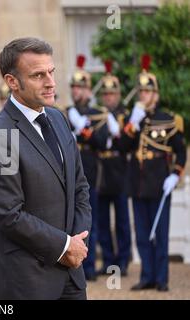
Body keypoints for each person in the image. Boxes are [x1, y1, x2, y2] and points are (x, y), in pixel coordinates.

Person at [0, 37, 91, 299]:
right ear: (12, 82)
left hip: (72, 276)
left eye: (51, 72)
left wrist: (78, 242)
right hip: (26, 281)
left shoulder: (58, 118)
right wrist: (64, 247)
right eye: (38, 75)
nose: (50, 82)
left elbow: (80, 187)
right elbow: (9, 214)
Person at [121, 54, 186, 292]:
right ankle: (147, 276)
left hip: (160, 182)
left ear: (155, 94)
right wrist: (132, 125)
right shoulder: (134, 119)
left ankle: (161, 278)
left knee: (160, 232)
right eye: (140, 92)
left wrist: (175, 174)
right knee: (143, 233)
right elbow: (122, 148)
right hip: (137, 183)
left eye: (147, 92)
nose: (143, 96)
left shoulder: (168, 119)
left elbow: (180, 150)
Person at [66, 54, 109, 281]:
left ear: (88, 89)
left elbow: (102, 142)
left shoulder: (97, 114)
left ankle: (89, 266)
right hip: (69, 174)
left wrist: (86, 131)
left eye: (80, 87)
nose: (75, 91)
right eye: (73, 87)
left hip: (91, 171)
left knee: (89, 221)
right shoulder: (64, 113)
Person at [96, 60, 131, 276]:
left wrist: (116, 131)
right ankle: (108, 260)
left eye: (112, 94)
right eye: (106, 94)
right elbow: (94, 141)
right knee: (102, 221)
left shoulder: (125, 116)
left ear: (118, 95)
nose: (109, 97)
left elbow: (125, 143)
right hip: (102, 170)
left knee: (122, 221)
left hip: (119, 168)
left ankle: (123, 261)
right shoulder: (98, 115)